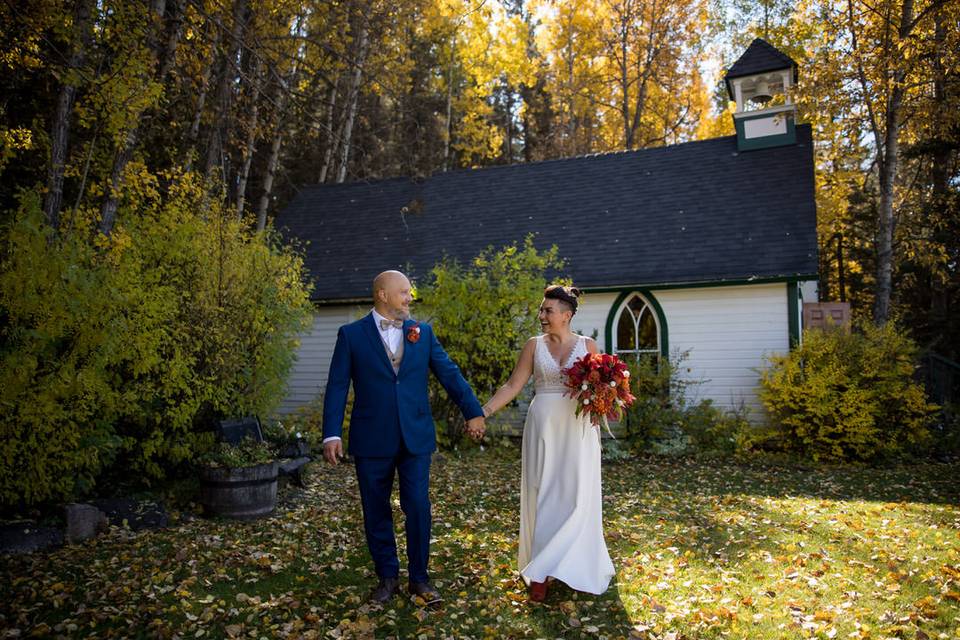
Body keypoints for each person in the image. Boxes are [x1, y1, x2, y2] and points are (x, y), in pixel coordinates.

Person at [322, 270, 486, 605]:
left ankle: (420, 579)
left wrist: (473, 411)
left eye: (410, 293)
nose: (409, 298)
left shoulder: (421, 333)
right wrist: (331, 434)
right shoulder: (351, 335)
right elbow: (338, 385)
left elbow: (449, 373)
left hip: (416, 436)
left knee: (418, 506)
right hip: (371, 437)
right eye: (404, 293)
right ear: (382, 294)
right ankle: (387, 578)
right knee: (375, 508)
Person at [481, 284, 615, 602]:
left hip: (578, 429)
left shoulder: (588, 345)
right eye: (541, 310)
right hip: (542, 426)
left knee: (575, 494)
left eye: (548, 311)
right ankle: (540, 570)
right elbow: (514, 384)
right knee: (543, 493)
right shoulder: (533, 346)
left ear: (566, 315)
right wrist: (483, 411)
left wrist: (608, 400)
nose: (541, 316)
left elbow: (601, 391)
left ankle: (570, 562)